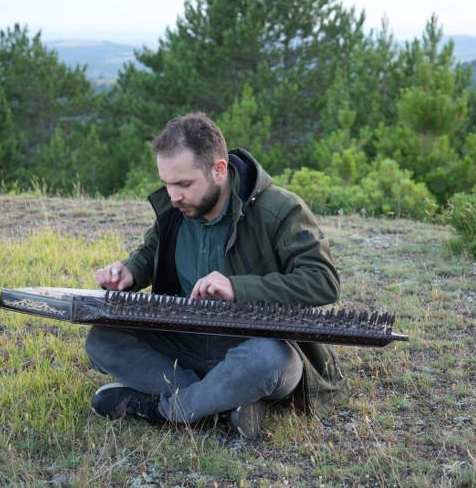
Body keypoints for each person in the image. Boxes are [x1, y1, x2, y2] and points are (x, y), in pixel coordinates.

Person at [86, 112, 350, 438]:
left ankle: (164, 409)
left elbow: (323, 281)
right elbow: (150, 252)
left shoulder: (281, 209)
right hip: (184, 342)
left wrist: (237, 288)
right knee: (103, 339)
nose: (173, 196)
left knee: (270, 361)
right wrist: (128, 273)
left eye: (184, 184)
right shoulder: (176, 210)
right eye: (167, 184)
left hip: (253, 346)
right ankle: (223, 403)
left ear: (219, 170)